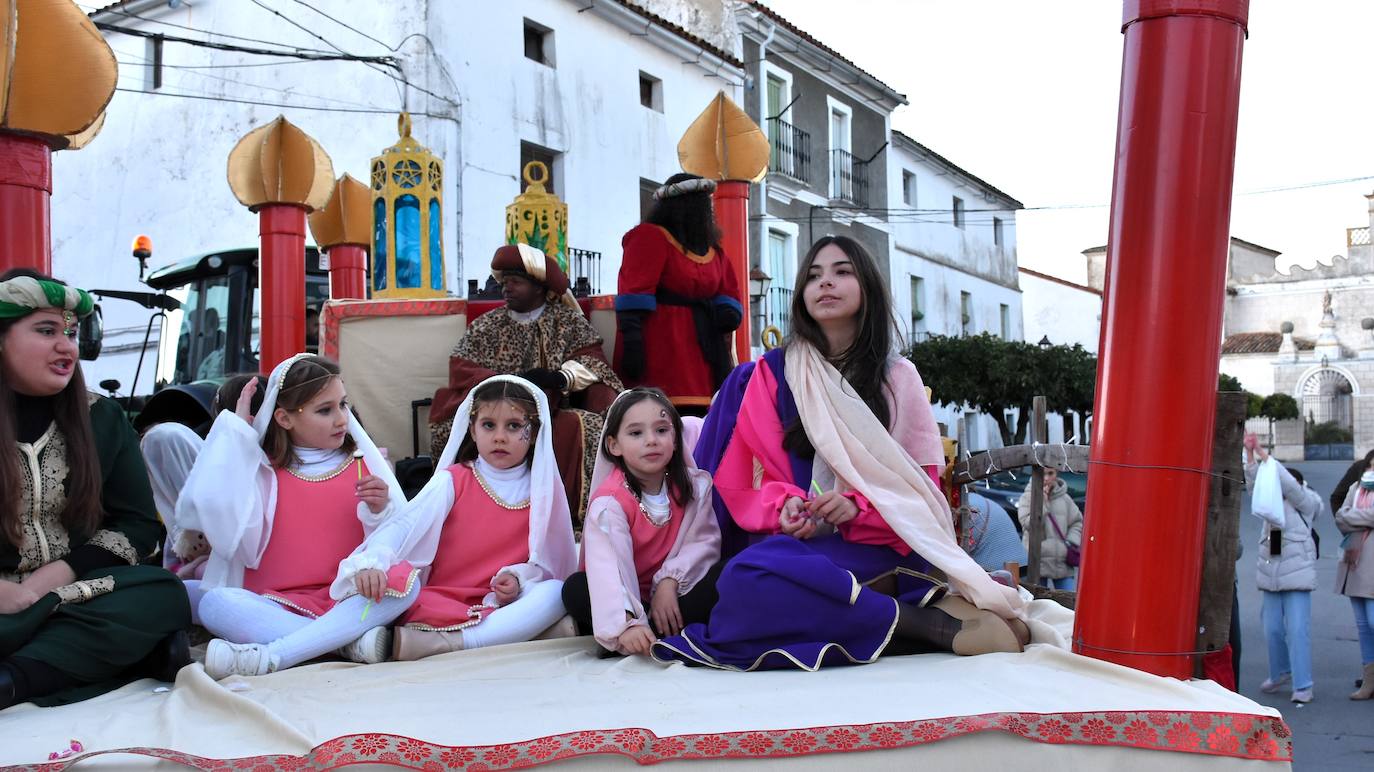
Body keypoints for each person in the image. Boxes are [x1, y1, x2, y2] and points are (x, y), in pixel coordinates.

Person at [653, 236, 1027, 671]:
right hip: (797, 546)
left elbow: (920, 486)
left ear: (867, 286)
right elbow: (746, 475)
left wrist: (856, 508)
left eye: (841, 272)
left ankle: (923, 625)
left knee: (755, 580)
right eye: (814, 276)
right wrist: (787, 507)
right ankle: (926, 628)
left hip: (879, 541)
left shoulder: (897, 377)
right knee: (746, 575)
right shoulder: (776, 373)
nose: (825, 283)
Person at [0, 270, 190, 709]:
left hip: (68, 597)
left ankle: (13, 680)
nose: (67, 347)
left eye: (71, 333)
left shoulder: (100, 418)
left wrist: (55, 576)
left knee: (162, 592)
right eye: (46, 331)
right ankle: (105, 659)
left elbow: (138, 525)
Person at [178, 354, 418, 679]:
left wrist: (379, 511)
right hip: (275, 604)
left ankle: (277, 654)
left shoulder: (362, 464)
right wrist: (235, 433)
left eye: (343, 405)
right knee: (214, 603)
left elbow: (397, 535)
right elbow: (212, 508)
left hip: (346, 597)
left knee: (406, 583)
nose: (341, 419)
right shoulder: (262, 472)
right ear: (284, 418)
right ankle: (345, 644)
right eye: (325, 410)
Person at [339, 375, 577, 660]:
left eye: (514, 426)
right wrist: (373, 561)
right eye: (489, 425)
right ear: (473, 431)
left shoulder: (543, 490)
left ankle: (449, 642)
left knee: (554, 592)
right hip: (444, 599)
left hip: (503, 603)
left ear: (534, 433)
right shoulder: (452, 481)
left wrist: (518, 577)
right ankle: (506, 636)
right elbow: (405, 526)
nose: (500, 436)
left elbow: (548, 561)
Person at [429, 244, 622, 522]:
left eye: (516, 282)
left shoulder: (566, 321)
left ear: (539, 287)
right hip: (494, 407)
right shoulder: (488, 324)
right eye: (505, 282)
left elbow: (594, 363)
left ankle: (571, 517)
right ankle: (471, 512)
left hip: (552, 409)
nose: (507, 288)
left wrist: (559, 378)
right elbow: (461, 366)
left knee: (588, 427)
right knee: (451, 428)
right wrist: (504, 385)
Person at [561, 388, 722, 656]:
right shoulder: (610, 502)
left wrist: (670, 581)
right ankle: (632, 631)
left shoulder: (693, 486)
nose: (651, 441)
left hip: (677, 595)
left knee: (729, 571)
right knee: (576, 588)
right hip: (627, 596)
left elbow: (703, 543)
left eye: (661, 430)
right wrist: (629, 621)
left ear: (675, 437)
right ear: (614, 445)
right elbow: (609, 567)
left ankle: (662, 627)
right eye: (636, 433)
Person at [614, 173, 742, 412]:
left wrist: (727, 313)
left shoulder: (715, 251)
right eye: (704, 204)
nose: (708, 211)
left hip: (705, 348)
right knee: (664, 411)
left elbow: (729, 293)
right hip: (663, 344)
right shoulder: (650, 237)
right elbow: (634, 292)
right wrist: (632, 343)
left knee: (707, 416)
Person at [1244, 433, 1320, 704]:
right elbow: (1253, 484)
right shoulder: (1269, 503)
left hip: (1297, 574)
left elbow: (1289, 485)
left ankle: (1304, 684)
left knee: (1298, 630)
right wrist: (1251, 455)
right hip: (1271, 574)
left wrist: (1265, 455)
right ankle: (1280, 673)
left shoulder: (1306, 502)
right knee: (1272, 629)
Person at [1335, 456, 1374, 700]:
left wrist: (1354, 516)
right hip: (1354, 563)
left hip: (1370, 564)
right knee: (1362, 626)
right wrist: (1362, 517)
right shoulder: (1355, 488)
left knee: (1372, 622)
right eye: (1370, 466)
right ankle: (1369, 681)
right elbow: (1340, 516)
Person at [1016, 467, 1083, 590]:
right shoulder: (1027, 497)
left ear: (1056, 473)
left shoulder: (1065, 499)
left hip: (1061, 561)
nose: (1046, 478)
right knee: (1039, 605)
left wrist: (1070, 542)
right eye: (1043, 474)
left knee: (1068, 605)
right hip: (1036, 561)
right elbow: (1027, 525)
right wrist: (1042, 504)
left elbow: (1077, 522)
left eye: (1050, 473)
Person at [961, 491, 1027, 574]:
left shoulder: (968, 506)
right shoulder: (974, 500)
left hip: (1000, 566)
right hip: (1017, 560)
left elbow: (963, 546)